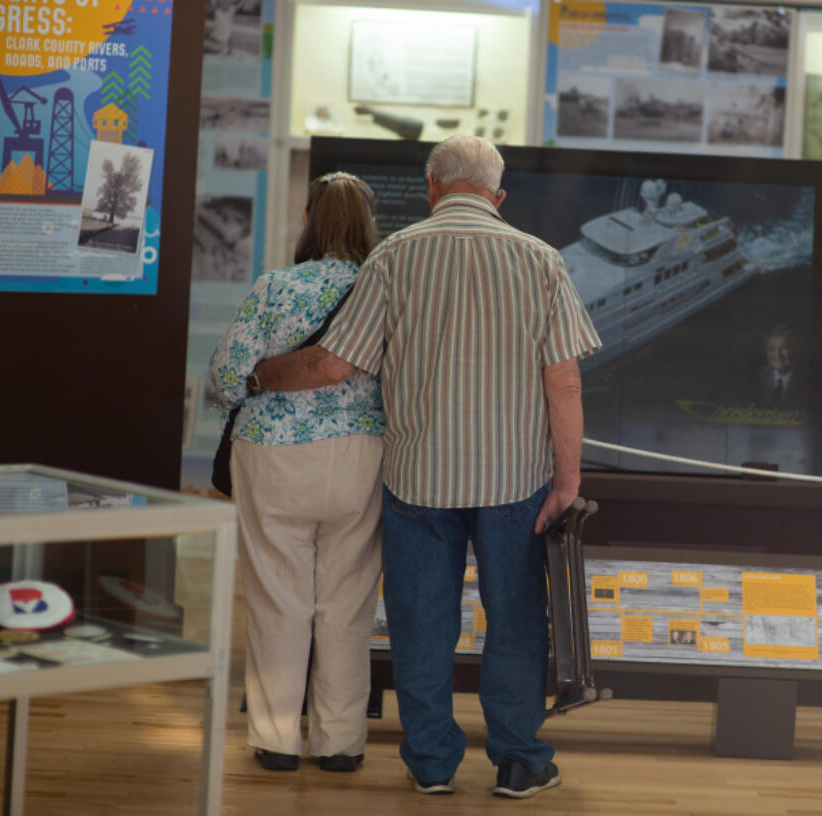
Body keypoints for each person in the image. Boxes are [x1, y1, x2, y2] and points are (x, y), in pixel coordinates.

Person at [251, 135, 601, 799]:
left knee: (420, 620)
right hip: (514, 482)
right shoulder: (541, 261)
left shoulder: (394, 255)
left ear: (433, 187)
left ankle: (433, 762)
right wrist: (567, 482)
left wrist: (260, 375)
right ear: (497, 196)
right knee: (517, 619)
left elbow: (334, 364)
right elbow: (565, 383)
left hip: (418, 479)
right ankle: (520, 759)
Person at [208, 172, 384, 774]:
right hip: (360, 456)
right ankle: (340, 743)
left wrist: (260, 379)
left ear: (309, 217)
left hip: (273, 456)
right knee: (347, 602)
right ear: (369, 222)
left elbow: (227, 377)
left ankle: (277, 739)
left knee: (277, 598)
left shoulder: (274, 287)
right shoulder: (384, 288)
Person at [753, 324, 803, 409]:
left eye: (784, 348)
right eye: (772, 349)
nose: (778, 355)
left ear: (794, 349)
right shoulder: (757, 376)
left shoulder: (806, 378)